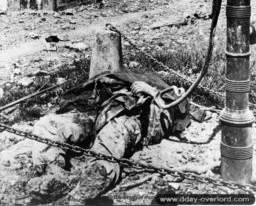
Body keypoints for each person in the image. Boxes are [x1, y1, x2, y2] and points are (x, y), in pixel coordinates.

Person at [27, 69, 191, 205]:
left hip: (127, 118)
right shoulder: (117, 77)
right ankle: (52, 173)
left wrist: (151, 91)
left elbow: (173, 110)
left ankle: (86, 188)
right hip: (95, 113)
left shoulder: (168, 93)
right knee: (47, 125)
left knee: (109, 144)